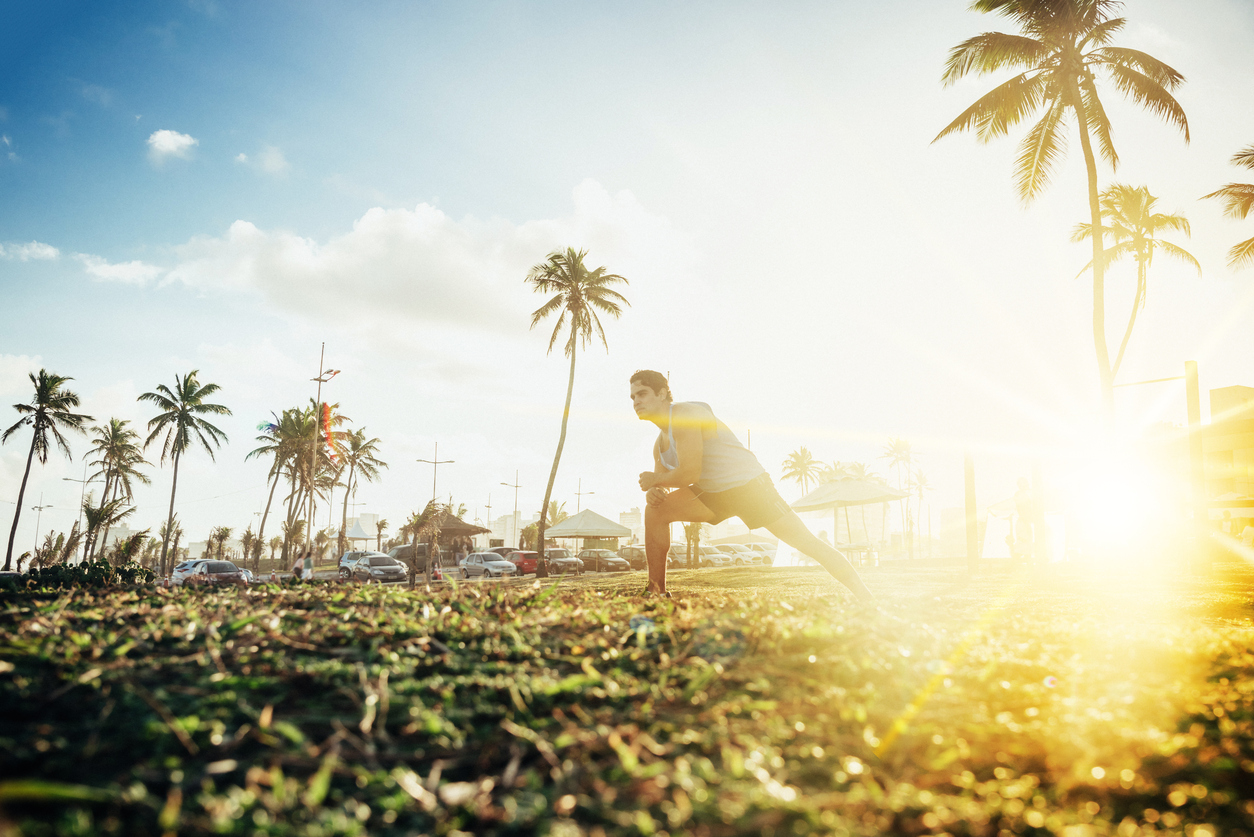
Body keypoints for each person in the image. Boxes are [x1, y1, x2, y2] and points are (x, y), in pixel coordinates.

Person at [630, 370, 874, 601]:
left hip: (749, 488)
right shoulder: (659, 445)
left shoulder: (684, 415)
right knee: (656, 511)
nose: (636, 401)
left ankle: (867, 598)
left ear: (662, 394)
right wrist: (655, 492)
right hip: (713, 493)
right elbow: (663, 485)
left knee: (807, 543)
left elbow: (689, 472)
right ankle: (656, 592)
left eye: (642, 394)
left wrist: (654, 480)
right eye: (632, 397)